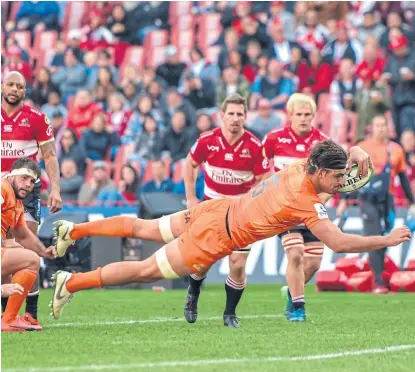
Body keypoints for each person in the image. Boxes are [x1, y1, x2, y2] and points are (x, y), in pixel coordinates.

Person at [50, 140, 411, 322]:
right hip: (218, 236)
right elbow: (338, 242)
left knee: (144, 227)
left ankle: (74, 229)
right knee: (145, 270)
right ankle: (71, 283)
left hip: (217, 208)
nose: (338, 182)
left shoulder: (302, 165)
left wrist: (355, 150)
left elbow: (329, 156)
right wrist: (386, 239)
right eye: (335, 176)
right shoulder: (306, 199)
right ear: (319, 173)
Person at [182, 94, 271, 327]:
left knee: (238, 264)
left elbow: (265, 179)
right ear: (221, 116)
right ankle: (193, 293)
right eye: (230, 113)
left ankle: (229, 313)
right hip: (211, 210)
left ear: (245, 116)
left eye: (239, 114)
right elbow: (189, 164)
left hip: (241, 214)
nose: (235, 118)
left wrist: (257, 204)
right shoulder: (206, 140)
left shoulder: (254, 146)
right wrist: (191, 197)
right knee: (202, 263)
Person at [262, 93, 335, 321]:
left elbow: (331, 182)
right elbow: (263, 172)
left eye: (307, 115)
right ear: (289, 115)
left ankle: (291, 291)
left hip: (312, 211)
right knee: (295, 254)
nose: (303, 119)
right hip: (285, 211)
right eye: (299, 114)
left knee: (313, 263)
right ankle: (297, 308)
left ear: (314, 116)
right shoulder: (274, 139)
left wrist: (317, 203)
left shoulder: (323, 144)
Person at [1, 71, 62, 329]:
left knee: (24, 249)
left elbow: (49, 156)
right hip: (3, 190)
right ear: (3, 86)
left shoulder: (36, 118)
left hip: (25, 192)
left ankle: (31, 312)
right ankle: (7, 314)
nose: (15, 89)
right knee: (6, 250)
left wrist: (56, 189)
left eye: (20, 86)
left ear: (25, 91)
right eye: (11, 84)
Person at [337, 115, 415, 294]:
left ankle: (381, 278)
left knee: (386, 237)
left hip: (388, 200)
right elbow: (350, 177)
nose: (381, 128)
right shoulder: (362, 147)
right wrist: (344, 200)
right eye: (377, 125)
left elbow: (402, 178)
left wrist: (413, 201)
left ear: (388, 128)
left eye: (383, 125)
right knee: (373, 238)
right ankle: (378, 282)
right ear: (371, 128)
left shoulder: (396, 149)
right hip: (368, 199)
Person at [1, 158, 57, 332]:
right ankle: (9, 319)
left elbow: (23, 234)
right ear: (12, 175)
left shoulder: (16, 202)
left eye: (32, 181)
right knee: (31, 260)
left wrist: (44, 251)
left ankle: (6, 316)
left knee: (20, 256)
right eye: (24, 178)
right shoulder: (3, 188)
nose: (28, 184)